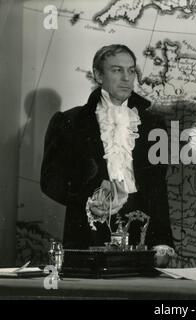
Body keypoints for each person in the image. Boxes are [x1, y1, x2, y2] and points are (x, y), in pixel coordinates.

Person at [40, 44, 174, 265]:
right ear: (98, 75)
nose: (127, 78)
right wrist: (87, 200)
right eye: (117, 70)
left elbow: (157, 188)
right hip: (88, 230)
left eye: (131, 70)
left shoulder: (153, 125)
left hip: (140, 227)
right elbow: (50, 181)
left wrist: (163, 242)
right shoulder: (69, 122)